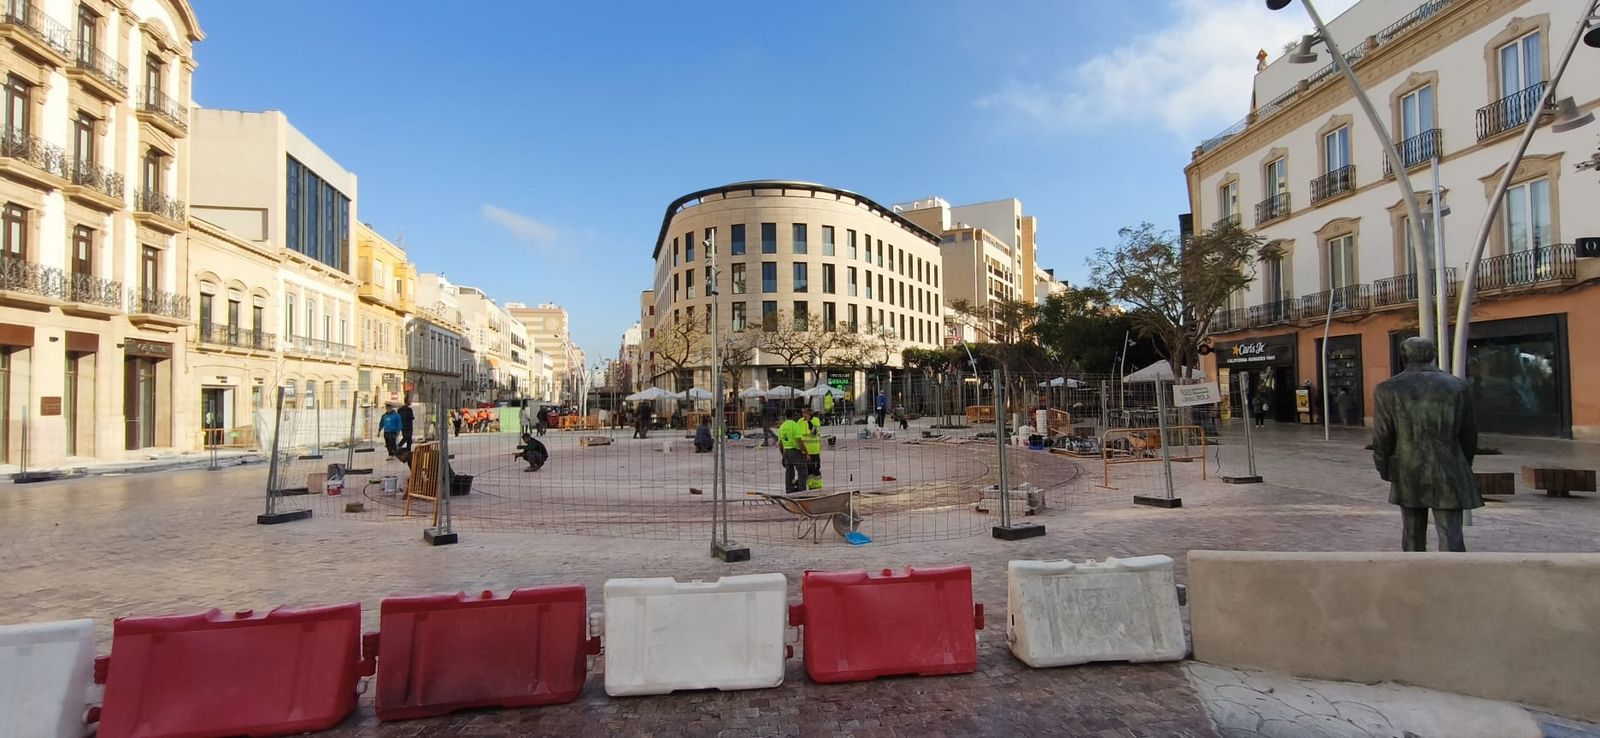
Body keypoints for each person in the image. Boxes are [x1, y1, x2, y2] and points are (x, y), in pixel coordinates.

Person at [1372, 337, 1480, 552]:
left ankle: (1414, 579)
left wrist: (1385, 468)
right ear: (1433, 355)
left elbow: (1382, 437)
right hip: (1450, 467)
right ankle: (1453, 578)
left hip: (1408, 467)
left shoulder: (1388, 389)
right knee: (1452, 535)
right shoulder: (1458, 386)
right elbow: (1469, 435)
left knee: (1412, 534)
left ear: (1404, 356)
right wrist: (1463, 464)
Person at [777, 408, 807, 494]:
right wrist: (806, 452)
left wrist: (783, 455)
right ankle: (802, 491)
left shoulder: (782, 426)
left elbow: (780, 443)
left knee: (789, 472)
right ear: (793, 415)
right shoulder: (795, 425)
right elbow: (799, 441)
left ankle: (789, 490)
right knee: (802, 471)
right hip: (796, 451)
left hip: (786, 451)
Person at [800, 407, 822, 487]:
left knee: (815, 469)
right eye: (802, 412)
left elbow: (814, 433)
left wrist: (809, 421)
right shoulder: (800, 421)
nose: (804, 414)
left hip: (814, 450)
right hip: (805, 451)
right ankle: (810, 485)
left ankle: (818, 485)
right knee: (807, 470)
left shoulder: (815, 420)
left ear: (810, 412)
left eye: (805, 412)